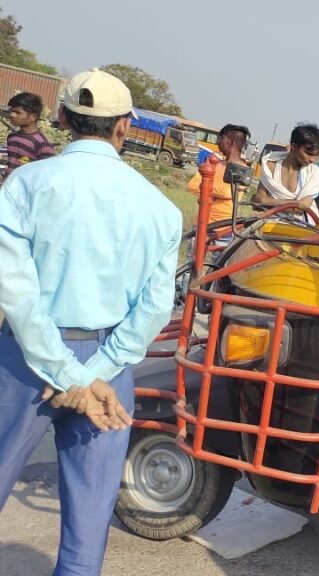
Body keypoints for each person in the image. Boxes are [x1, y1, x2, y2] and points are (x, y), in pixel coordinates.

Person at [0, 68, 181, 575]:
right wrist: (89, 376)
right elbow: (153, 309)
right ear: (125, 126)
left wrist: (66, 376)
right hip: (108, 372)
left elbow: (15, 289)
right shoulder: (159, 209)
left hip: (23, 361)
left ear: (60, 118)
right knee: (85, 537)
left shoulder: (25, 185)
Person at [254, 123, 319, 222]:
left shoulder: (314, 173)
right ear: (294, 147)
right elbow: (258, 201)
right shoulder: (270, 166)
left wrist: (267, 201)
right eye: (308, 154)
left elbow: (302, 207)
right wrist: (293, 203)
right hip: (270, 224)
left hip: (302, 226)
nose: (312, 159)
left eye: (316, 155)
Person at [186, 123, 250, 229]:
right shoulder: (213, 163)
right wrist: (215, 193)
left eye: (221, 138)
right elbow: (192, 186)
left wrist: (206, 189)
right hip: (201, 223)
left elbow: (227, 192)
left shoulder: (244, 171)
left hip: (223, 228)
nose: (218, 142)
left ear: (231, 143)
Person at [5, 92, 56, 178]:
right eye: (11, 111)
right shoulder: (12, 138)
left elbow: (47, 175)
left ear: (33, 117)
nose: (12, 115)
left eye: (17, 112)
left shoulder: (42, 144)